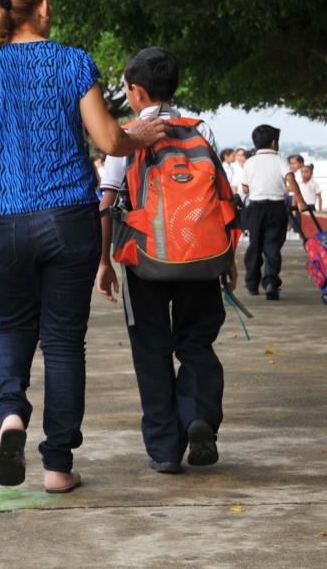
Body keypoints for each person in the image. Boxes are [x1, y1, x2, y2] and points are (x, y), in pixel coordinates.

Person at [0, 0, 164, 494]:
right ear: (41, 9)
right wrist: (139, 136)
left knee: (10, 328)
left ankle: (10, 418)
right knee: (65, 343)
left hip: (1, 222)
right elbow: (109, 139)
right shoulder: (72, 62)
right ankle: (57, 466)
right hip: (68, 218)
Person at [98, 47, 232, 474]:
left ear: (136, 91)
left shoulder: (127, 136)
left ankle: (165, 450)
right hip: (201, 255)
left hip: (145, 261)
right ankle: (198, 415)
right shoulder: (201, 129)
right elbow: (222, 197)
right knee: (196, 341)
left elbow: (108, 199)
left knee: (151, 350)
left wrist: (103, 261)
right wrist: (226, 258)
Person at [240, 125, 302, 300]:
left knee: (254, 245)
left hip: (256, 208)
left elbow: (245, 188)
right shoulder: (280, 160)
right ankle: (270, 283)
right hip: (276, 208)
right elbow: (291, 179)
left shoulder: (250, 162)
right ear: (274, 143)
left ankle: (252, 283)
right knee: (272, 247)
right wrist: (302, 203)